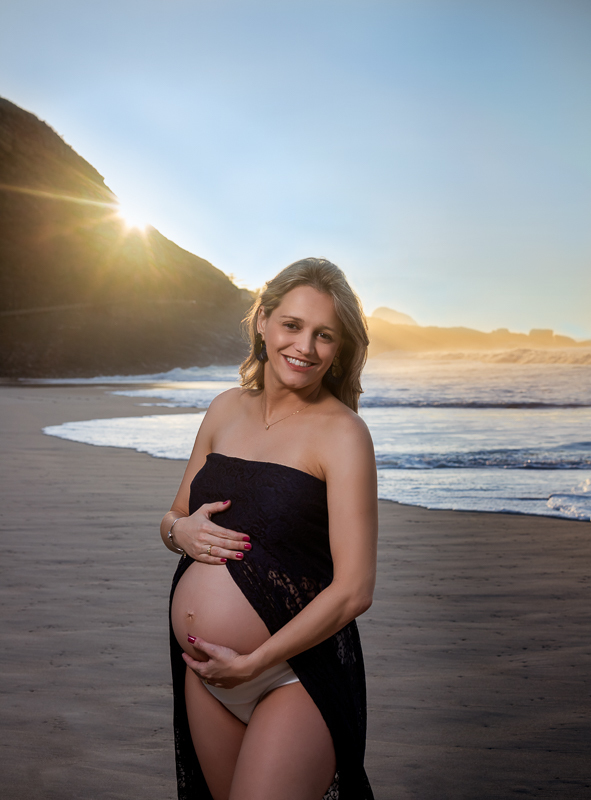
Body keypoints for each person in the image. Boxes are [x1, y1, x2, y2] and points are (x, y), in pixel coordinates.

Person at [160, 257, 378, 800]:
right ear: (263, 321)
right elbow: (174, 516)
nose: (305, 346)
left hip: (292, 674)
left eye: (324, 335)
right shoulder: (223, 410)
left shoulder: (344, 434)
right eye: (292, 325)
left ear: (339, 347)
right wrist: (178, 533)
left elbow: (354, 590)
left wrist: (255, 661)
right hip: (207, 673)